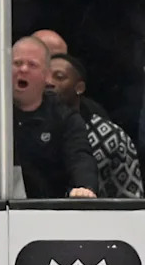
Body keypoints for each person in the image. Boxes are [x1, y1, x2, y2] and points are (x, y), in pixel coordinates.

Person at [11, 36, 98, 198]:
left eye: (32, 65)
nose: (23, 69)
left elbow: (80, 156)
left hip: (48, 211)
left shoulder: (65, 117)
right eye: (17, 63)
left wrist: (85, 187)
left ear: (46, 75)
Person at [49, 53, 142, 198]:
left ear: (79, 87)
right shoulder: (24, 126)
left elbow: (131, 196)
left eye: (59, 77)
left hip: (97, 215)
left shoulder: (111, 136)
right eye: (45, 76)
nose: (49, 82)